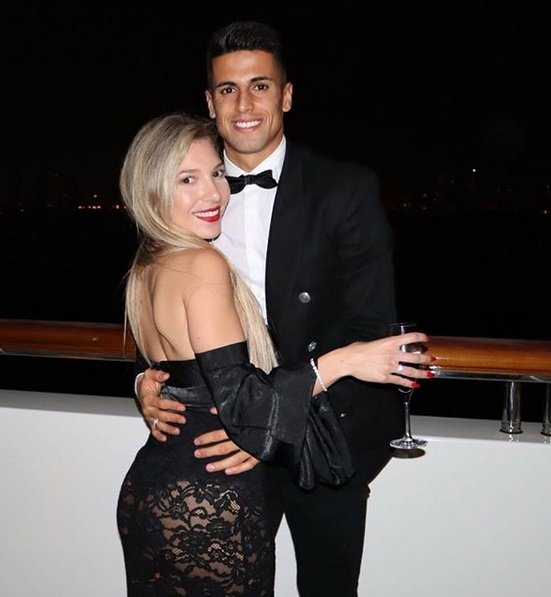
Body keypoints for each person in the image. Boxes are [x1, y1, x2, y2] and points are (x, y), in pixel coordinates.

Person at [135, 21, 433, 596]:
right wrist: (150, 380)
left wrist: (265, 427)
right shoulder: (185, 196)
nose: (244, 105)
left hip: (323, 440)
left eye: (261, 86)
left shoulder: (345, 189)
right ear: (210, 102)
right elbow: (159, 304)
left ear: (287, 95)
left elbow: (372, 328)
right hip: (220, 449)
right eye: (228, 89)